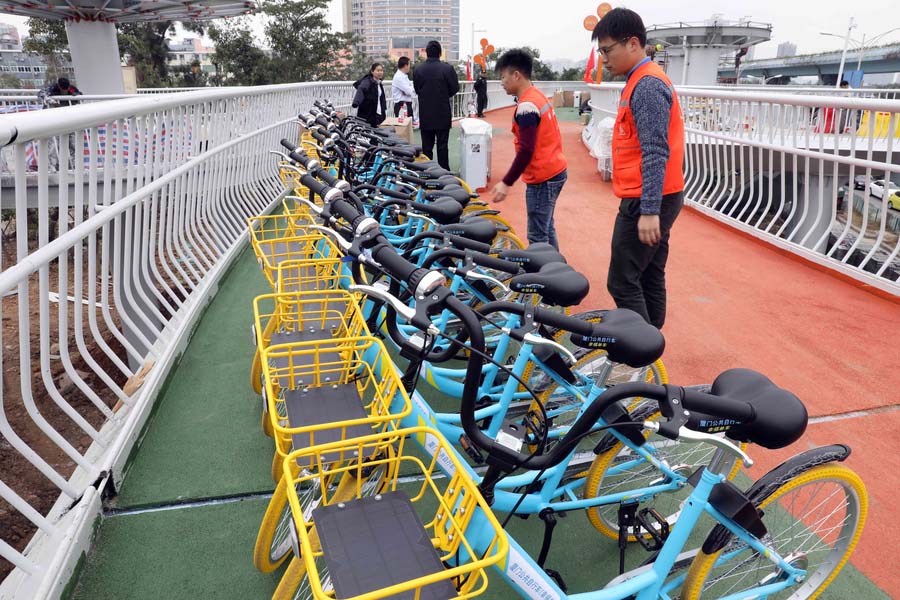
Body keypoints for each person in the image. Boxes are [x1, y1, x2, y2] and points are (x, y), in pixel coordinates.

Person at [593, 8, 685, 329]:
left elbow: (655, 150)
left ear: (633, 44)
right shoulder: (642, 81)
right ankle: (651, 344)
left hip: (648, 198)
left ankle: (641, 355)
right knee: (649, 273)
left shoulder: (645, 86)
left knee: (622, 281)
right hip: (660, 194)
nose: (604, 58)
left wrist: (648, 210)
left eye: (607, 50)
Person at [490, 49, 567, 250]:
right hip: (555, 170)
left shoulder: (527, 107)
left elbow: (526, 150)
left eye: (503, 76)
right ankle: (558, 271)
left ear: (516, 75)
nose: (501, 82)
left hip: (543, 177)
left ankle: (546, 277)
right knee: (547, 228)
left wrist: (506, 182)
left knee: (537, 236)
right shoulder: (538, 96)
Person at [413, 40, 459, 170]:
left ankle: (427, 172)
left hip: (425, 113)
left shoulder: (418, 69)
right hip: (442, 112)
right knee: (442, 145)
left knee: (427, 146)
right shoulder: (447, 68)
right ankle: (444, 172)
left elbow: (417, 89)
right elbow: (455, 88)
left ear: (426, 53)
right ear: (440, 53)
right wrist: (444, 95)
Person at [352, 63, 387, 127]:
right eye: (378, 70)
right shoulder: (367, 82)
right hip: (368, 114)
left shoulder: (379, 83)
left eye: (381, 70)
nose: (380, 72)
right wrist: (356, 102)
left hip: (378, 113)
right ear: (372, 71)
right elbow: (361, 90)